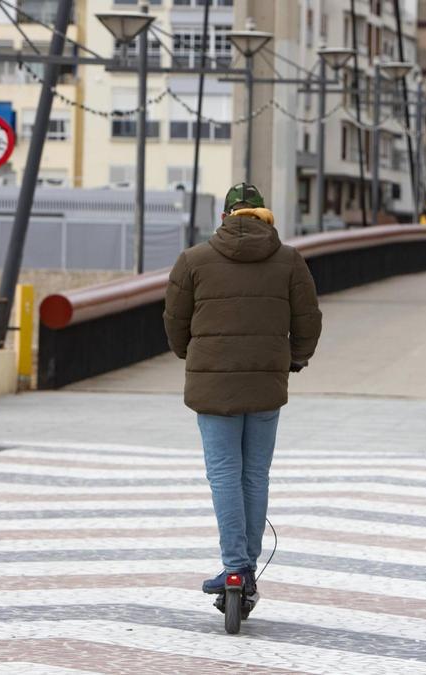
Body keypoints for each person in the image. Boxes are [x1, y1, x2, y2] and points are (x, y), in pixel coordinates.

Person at [163, 182, 322, 604]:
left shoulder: (193, 260)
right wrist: (294, 359)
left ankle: (234, 569)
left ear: (225, 217)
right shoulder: (289, 260)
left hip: (212, 386)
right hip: (266, 384)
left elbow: (174, 322)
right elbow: (309, 320)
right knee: (255, 476)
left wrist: (192, 355)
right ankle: (246, 569)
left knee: (223, 477)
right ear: (263, 215)